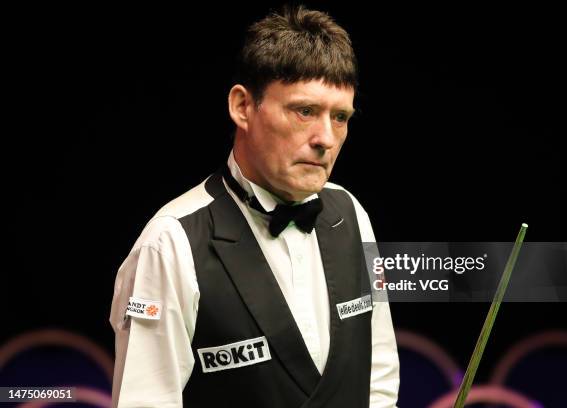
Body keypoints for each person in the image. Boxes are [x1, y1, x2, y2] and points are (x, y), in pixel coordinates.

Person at [109, 5, 399, 407]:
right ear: (243, 107)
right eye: (305, 111)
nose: (326, 138)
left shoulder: (350, 213)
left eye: (340, 117)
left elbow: (378, 377)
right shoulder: (171, 242)